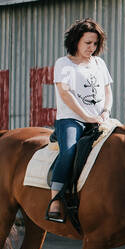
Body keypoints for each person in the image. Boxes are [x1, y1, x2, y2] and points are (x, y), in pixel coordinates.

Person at [48, 18, 113, 223]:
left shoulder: (99, 63)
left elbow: (107, 90)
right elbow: (65, 93)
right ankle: (55, 199)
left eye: (95, 44)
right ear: (76, 41)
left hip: (99, 119)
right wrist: (85, 116)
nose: (91, 48)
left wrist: (105, 111)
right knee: (69, 152)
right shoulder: (64, 63)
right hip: (72, 120)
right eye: (87, 43)